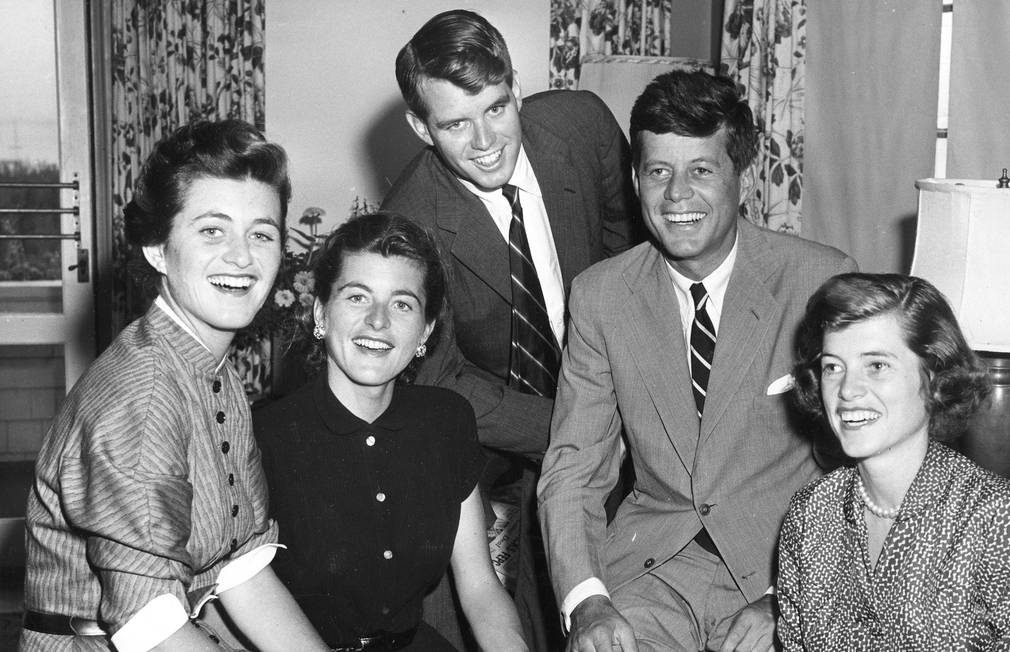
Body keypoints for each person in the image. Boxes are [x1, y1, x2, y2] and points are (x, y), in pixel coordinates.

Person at [536, 69, 858, 652]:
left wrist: (790, 598)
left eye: (701, 171)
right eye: (658, 171)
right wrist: (587, 603)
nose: (677, 195)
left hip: (782, 569)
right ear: (635, 180)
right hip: (651, 569)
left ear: (742, 177)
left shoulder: (821, 281)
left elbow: (858, 470)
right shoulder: (600, 295)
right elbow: (574, 468)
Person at [382, 9, 641, 650]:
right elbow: (443, 379)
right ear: (421, 127)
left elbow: (628, 253)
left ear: (517, 88)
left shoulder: (583, 128)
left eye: (496, 109)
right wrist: (576, 429)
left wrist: (627, 393)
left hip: (611, 393)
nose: (485, 142)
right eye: (454, 124)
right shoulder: (411, 225)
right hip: (495, 436)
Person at [19, 119, 328, 651]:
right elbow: (149, 623)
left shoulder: (213, 367)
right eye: (212, 230)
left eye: (261, 233)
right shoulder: (142, 396)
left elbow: (242, 571)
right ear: (158, 249)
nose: (241, 256)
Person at [253, 212, 528, 652]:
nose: (378, 321)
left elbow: (479, 587)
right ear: (321, 312)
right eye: (358, 297)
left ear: (426, 330)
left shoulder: (446, 421)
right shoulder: (264, 437)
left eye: (402, 304)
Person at [777, 273, 1010, 650]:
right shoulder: (810, 514)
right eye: (833, 367)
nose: (847, 390)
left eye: (877, 365)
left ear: (934, 378)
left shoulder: (1000, 518)